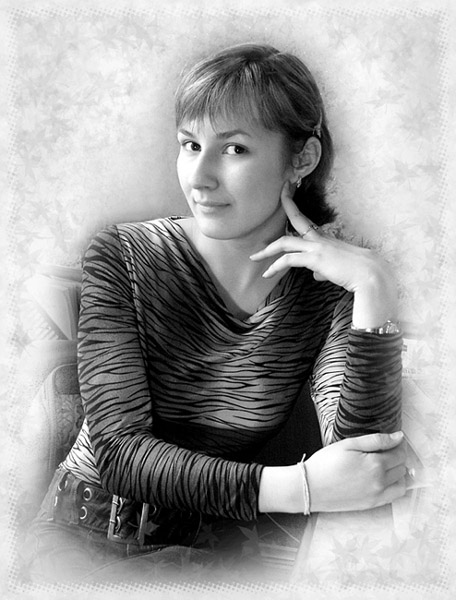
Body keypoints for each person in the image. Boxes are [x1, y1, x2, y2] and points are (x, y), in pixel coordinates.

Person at [22, 43, 406, 584]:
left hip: (215, 557)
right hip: (82, 542)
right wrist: (300, 488)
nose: (199, 177)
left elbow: (362, 464)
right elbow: (121, 455)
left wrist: (374, 287)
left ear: (302, 159)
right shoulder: (122, 256)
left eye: (234, 149)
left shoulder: (328, 292)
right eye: (190, 145)